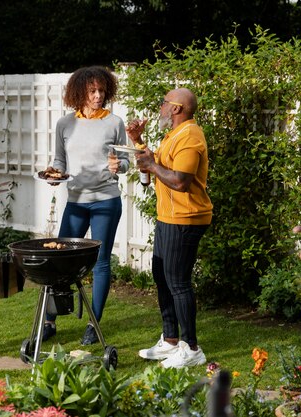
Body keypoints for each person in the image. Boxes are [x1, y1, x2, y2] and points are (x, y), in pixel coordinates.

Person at [43, 66, 130, 345]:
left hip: (106, 200)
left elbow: (125, 162)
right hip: (76, 202)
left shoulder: (115, 123)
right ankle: (49, 322)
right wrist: (54, 175)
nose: (97, 96)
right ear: (79, 92)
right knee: (60, 259)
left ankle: (94, 324)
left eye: (101, 91)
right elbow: (59, 161)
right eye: (92, 91)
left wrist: (120, 165)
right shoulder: (65, 124)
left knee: (101, 263)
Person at [128, 87, 213, 368]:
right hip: (168, 217)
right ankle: (170, 340)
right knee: (162, 276)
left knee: (178, 281)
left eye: (164, 103)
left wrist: (152, 166)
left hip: (186, 219)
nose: (161, 107)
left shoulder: (190, 137)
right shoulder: (172, 135)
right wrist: (138, 142)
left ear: (177, 109)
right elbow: (155, 165)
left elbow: (180, 181)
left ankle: (191, 348)